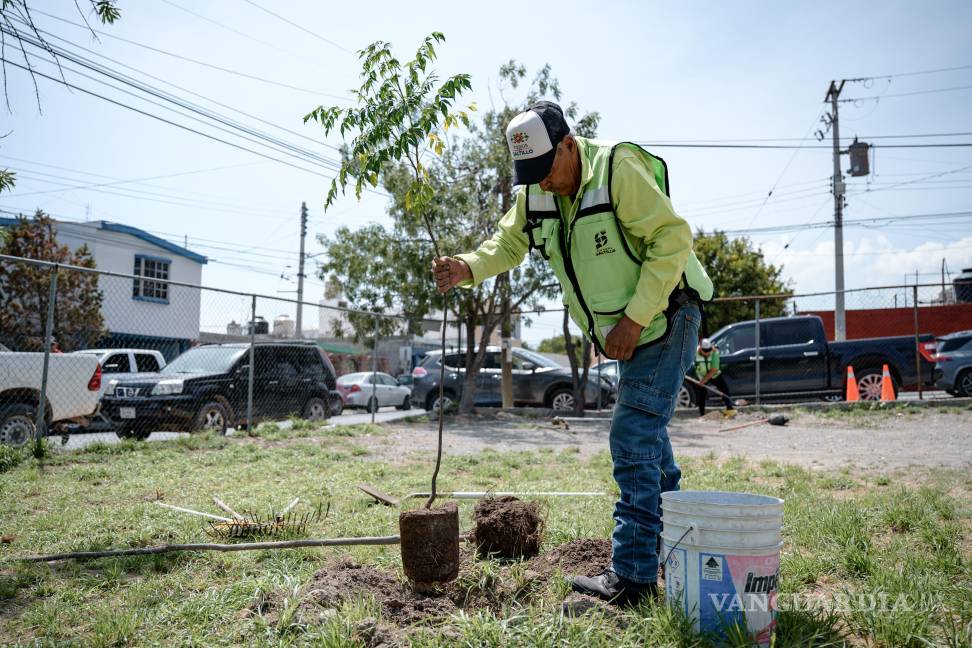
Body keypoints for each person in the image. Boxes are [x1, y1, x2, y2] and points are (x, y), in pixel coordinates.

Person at [432, 101, 713, 606]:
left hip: (667, 317)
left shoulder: (615, 169)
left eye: (547, 170)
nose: (542, 184)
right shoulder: (537, 190)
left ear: (568, 144)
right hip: (633, 333)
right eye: (530, 176)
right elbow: (508, 242)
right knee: (651, 448)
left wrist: (632, 319)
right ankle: (680, 550)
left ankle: (633, 578)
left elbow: (672, 239)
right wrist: (467, 266)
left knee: (632, 437)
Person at [693, 338, 734, 416]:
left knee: (724, 390)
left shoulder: (715, 353)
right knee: (701, 394)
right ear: (701, 349)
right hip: (701, 375)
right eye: (705, 351)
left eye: (708, 350)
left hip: (714, 375)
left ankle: (730, 409)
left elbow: (714, 369)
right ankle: (702, 414)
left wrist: (704, 380)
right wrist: (701, 380)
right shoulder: (695, 353)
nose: (707, 353)